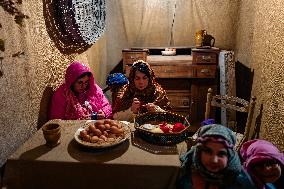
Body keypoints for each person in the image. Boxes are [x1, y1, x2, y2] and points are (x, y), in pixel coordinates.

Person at [178, 124, 256, 189]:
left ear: (229, 157)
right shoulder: (188, 172)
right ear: (199, 153)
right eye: (208, 151)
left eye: (221, 154)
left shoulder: (241, 182)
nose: (214, 160)